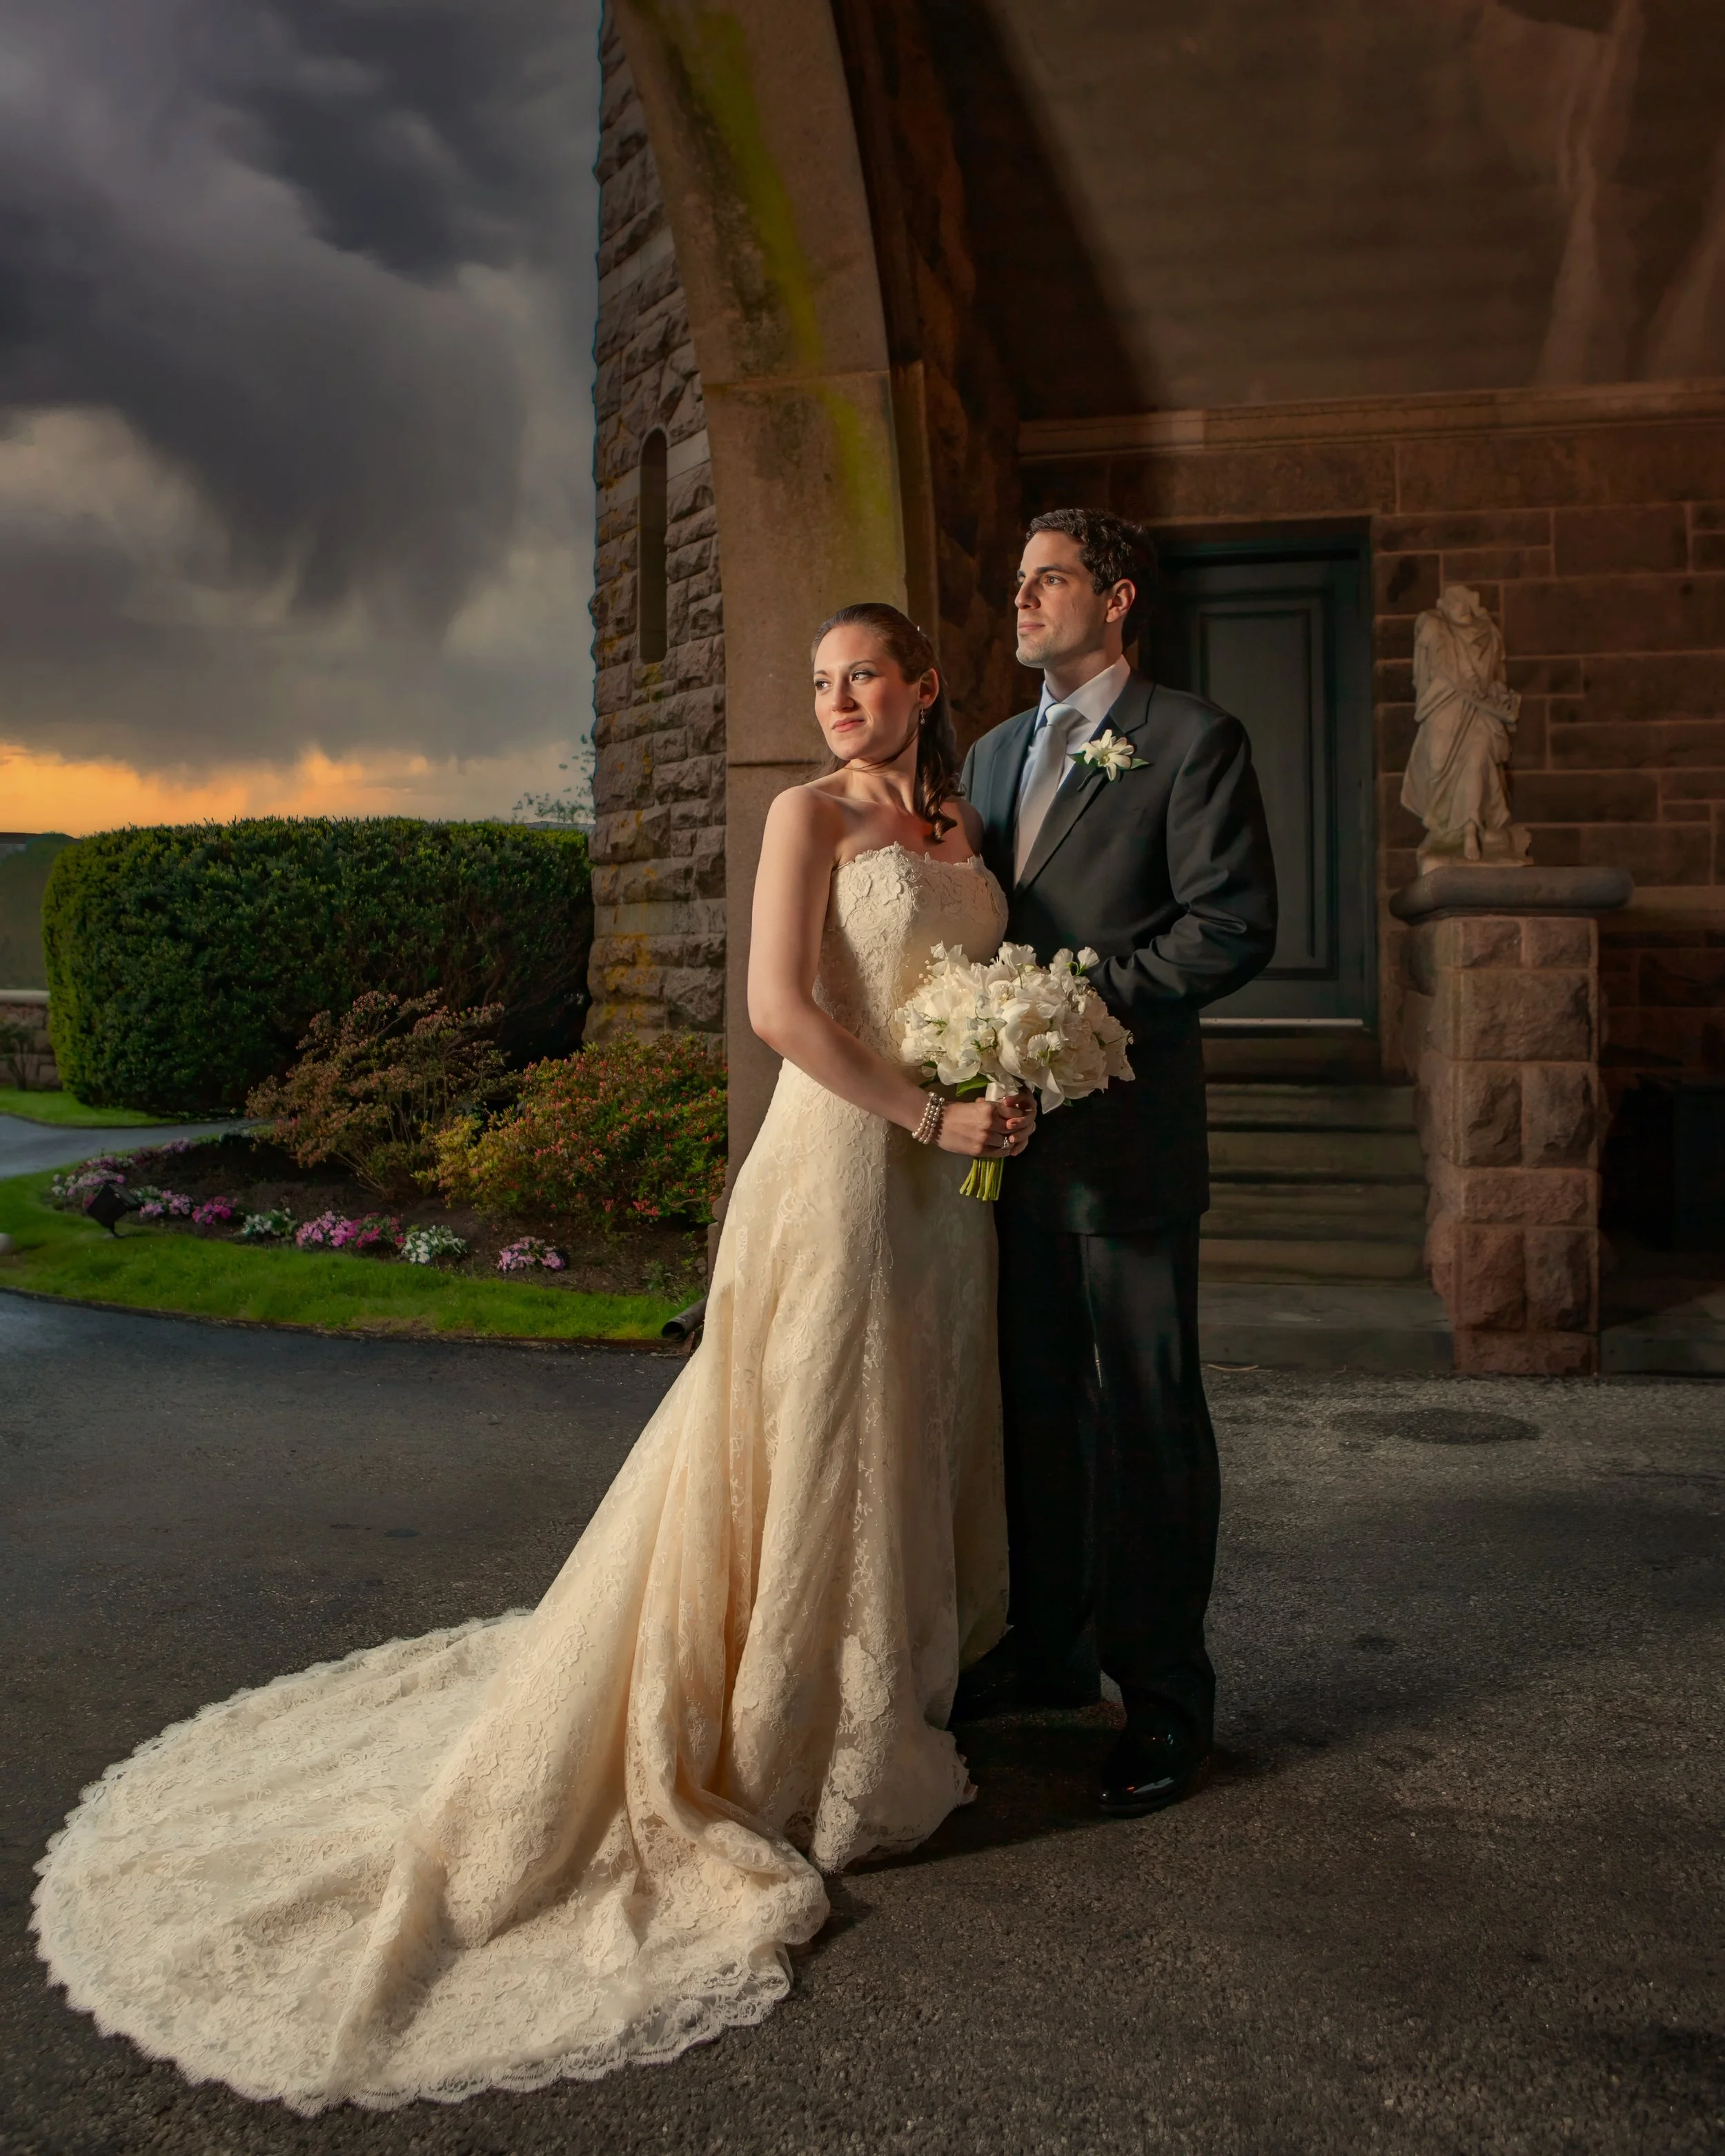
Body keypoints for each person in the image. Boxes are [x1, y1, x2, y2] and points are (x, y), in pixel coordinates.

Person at [32, 603, 1034, 2112]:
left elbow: (958, 990)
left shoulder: (962, 818)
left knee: (909, 1418)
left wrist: (996, 1087)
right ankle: (786, 1724)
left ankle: (885, 1682)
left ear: (921, 685)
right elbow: (776, 1009)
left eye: (862, 677)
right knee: (816, 1424)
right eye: (816, 680)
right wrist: (927, 1112)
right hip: (842, 1165)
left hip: (943, 1191)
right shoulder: (802, 814)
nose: (836, 702)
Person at [958, 508, 1276, 1817]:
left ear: (1119, 595)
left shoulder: (1194, 740)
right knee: (1033, 1415)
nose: (1023, 599)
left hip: (1129, 1141)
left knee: (1148, 1421)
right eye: (1017, 579)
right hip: (1004, 1153)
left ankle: (1166, 1702)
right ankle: (1051, 1648)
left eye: (1050, 579)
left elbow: (1231, 927)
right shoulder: (982, 757)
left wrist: (1075, 1014)